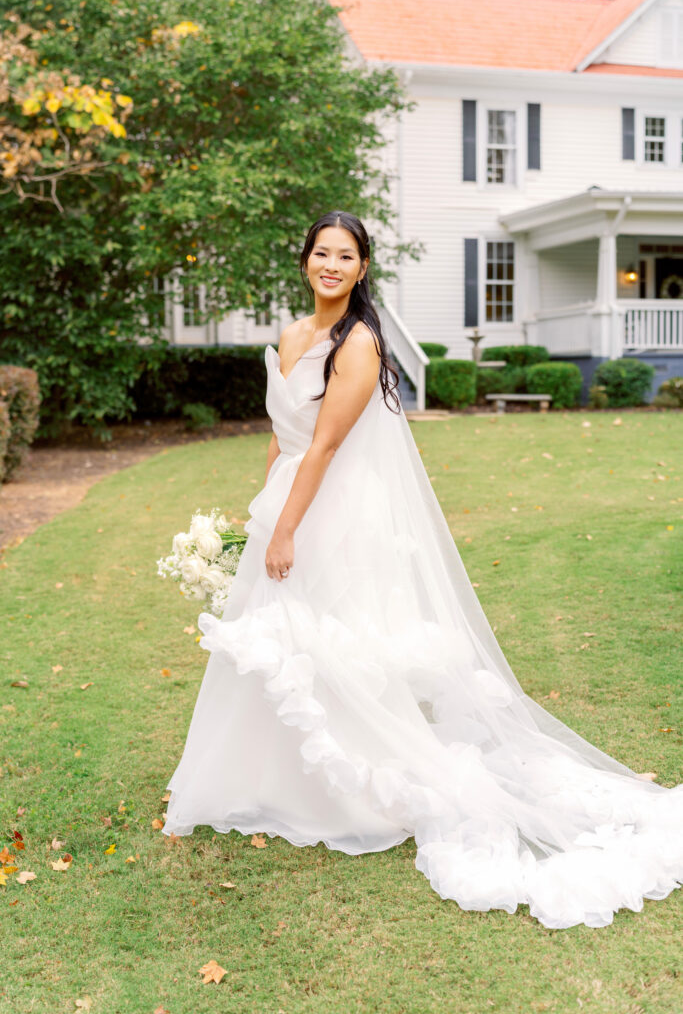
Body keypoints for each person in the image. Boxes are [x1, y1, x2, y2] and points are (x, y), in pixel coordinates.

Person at [163, 210, 682, 930]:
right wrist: (254, 517)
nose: (332, 266)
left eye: (346, 256)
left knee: (335, 640)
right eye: (322, 253)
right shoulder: (289, 336)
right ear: (305, 261)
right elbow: (286, 442)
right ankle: (273, 779)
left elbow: (325, 448)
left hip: (334, 511)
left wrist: (285, 530)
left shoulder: (361, 344)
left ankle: (355, 788)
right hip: (288, 498)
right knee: (281, 641)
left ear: (362, 268)